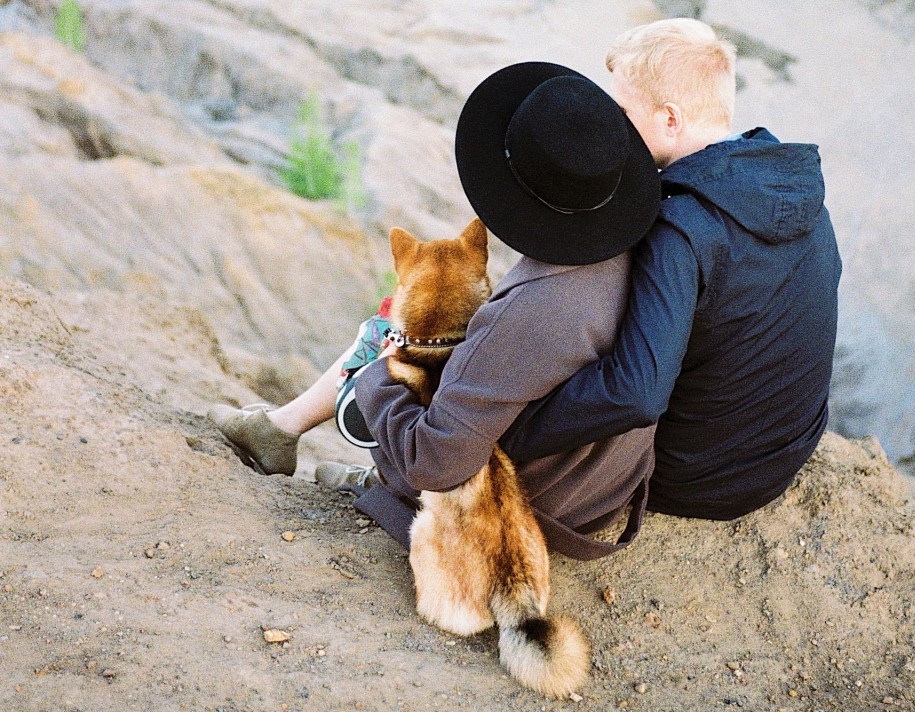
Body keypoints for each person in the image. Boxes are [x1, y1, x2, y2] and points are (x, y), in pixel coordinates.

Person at [210, 61, 664, 560]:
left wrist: (381, 375)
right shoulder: (642, 251)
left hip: (525, 504)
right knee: (418, 330)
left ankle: (326, 452)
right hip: (596, 485)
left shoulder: (530, 313)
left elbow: (437, 461)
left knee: (394, 338)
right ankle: (280, 430)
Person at [500, 18, 843, 520]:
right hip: (784, 455)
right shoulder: (799, 190)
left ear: (670, 119)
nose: (610, 127)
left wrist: (513, 430)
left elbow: (636, 393)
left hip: (696, 481)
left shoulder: (681, 226)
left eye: (622, 113)